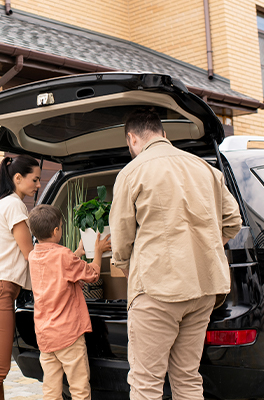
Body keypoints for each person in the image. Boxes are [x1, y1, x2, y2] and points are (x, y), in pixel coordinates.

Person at [109, 108, 242, 400]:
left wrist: (127, 268)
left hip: (158, 289)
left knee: (146, 382)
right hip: (204, 287)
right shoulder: (206, 169)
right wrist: (205, 246)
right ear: (163, 135)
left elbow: (120, 240)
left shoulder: (132, 172)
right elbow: (233, 221)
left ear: (132, 138)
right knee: (187, 377)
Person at [0, 154, 41, 400]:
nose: (38, 185)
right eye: (35, 180)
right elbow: (30, 255)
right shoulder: (14, 205)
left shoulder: (5, 203)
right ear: (17, 178)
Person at [28, 204, 111, 400]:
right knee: (79, 389)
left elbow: (58, 268)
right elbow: (91, 274)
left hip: (45, 336)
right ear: (56, 230)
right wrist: (97, 251)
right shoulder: (63, 255)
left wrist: (78, 253)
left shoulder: (33, 256)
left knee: (51, 390)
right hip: (68, 336)